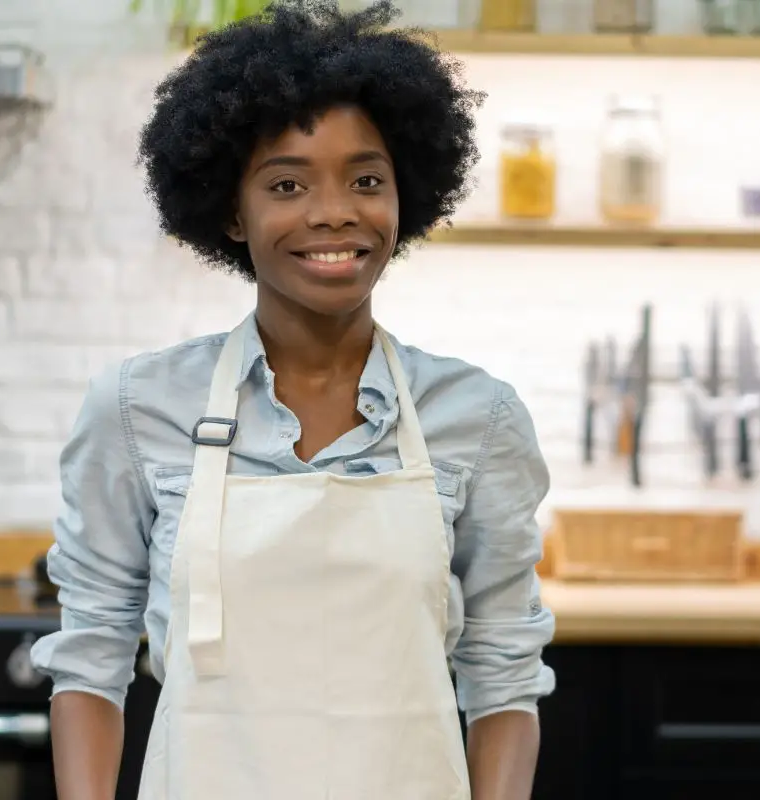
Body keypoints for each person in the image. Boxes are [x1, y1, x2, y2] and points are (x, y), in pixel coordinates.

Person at [28, 1, 557, 798]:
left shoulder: (477, 418)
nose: (334, 211)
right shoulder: (139, 410)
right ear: (232, 214)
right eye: (287, 184)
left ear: (404, 196)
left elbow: (504, 676)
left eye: (366, 180)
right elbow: (91, 661)